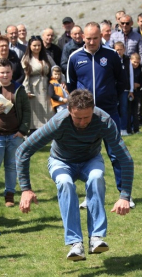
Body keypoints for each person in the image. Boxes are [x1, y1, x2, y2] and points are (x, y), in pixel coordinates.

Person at [16, 89, 134, 261]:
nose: (83, 122)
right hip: (61, 161)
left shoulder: (103, 120)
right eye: (78, 118)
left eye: (87, 117)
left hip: (90, 159)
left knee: (96, 177)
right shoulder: (59, 122)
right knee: (64, 182)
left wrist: (125, 196)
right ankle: (75, 243)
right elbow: (23, 151)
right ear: (69, 110)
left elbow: (125, 159)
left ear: (93, 110)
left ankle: (96, 238)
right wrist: (26, 189)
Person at [67, 22, 133, 209]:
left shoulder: (111, 55)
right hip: (84, 114)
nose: (92, 41)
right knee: (87, 154)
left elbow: (121, 81)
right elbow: (71, 85)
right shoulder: (75, 57)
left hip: (109, 111)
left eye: (95, 38)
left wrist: (111, 99)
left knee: (116, 152)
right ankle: (90, 196)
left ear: (101, 37)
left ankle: (125, 194)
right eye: (88, 38)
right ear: (82, 37)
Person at [0, 59, 31, 207]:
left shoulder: (18, 89)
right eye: (2, 72)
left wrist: (22, 130)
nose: (5, 75)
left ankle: (9, 195)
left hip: (14, 135)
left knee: (11, 166)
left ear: (12, 73)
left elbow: (26, 110)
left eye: (8, 72)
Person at [22, 36, 53, 131]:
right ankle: (33, 132)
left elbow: (55, 68)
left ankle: (48, 132)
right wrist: (26, 90)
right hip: (34, 88)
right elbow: (25, 76)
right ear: (30, 46)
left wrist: (62, 79)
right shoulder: (26, 59)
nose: (37, 47)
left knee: (48, 110)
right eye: (34, 45)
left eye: (39, 45)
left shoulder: (46, 57)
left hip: (46, 87)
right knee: (35, 113)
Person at [114, 41, 134, 136]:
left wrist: (131, 89)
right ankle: (116, 129)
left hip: (125, 89)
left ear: (124, 50)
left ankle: (124, 128)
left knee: (124, 109)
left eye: (120, 49)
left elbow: (131, 75)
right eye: (117, 49)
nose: (118, 51)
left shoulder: (127, 60)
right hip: (115, 88)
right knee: (115, 109)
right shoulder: (112, 59)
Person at [130, 53, 142, 134]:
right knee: (128, 111)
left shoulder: (139, 70)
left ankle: (136, 128)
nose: (135, 64)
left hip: (136, 92)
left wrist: (138, 84)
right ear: (130, 61)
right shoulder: (128, 69)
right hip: (128, 92)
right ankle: (129, 127)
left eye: (137, 62)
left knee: (135, 111)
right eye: (134, 62)